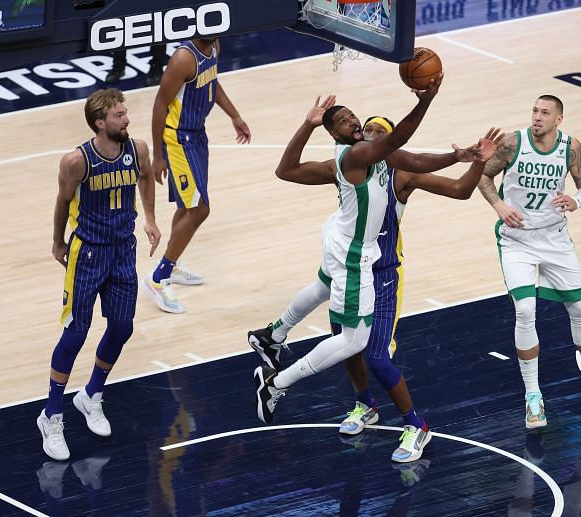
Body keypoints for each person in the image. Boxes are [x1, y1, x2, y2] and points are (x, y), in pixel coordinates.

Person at [249, 99, 501, 462]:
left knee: (374, 355)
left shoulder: (398, 168)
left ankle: (415, 425)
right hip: (351, 261)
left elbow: (449, 182)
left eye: (380, 131)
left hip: (380, 273)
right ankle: (362, 402)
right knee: (347, 345)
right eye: (367, 128)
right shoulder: (354, 158)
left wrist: (473, 159)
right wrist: (308, 124)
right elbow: (286, 170)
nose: (370, 132)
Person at [251, 79, 442, 437]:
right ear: (335, 134)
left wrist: (460, 157)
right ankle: (278, 382)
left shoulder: (371, 154)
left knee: (324, 288)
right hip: (355, 254)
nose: (355, 123)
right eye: (345, 122)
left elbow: (412, 157)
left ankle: (273, 334)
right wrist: (426, 100)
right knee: (354, 342)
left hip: (340, 236)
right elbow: (400, 138)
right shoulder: (355, 155)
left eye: (356, 117)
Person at [477, 94, 581, 429]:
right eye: (534, 110)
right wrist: (498, 206)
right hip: (516, 240)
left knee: (579, 311)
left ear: (559, 119)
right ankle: (533, 395)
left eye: (545, 113)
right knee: (525, 310)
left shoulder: (570, 147)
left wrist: (577, 201)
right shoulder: (512, 143)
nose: (537, 117)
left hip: (555, 240)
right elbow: (483, 176)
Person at [37, 88, 161, 461]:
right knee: (76, 332)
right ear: (99, 123)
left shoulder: (136, 149)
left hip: (124, 248)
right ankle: (51, 414)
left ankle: (91, 395)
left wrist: (151, 219)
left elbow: (147, 176)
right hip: (87, 253)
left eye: (125, 113)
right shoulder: (77, 161)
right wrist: (58, 242)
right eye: (120, 115)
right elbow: (62, 201)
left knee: (122, 328)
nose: (127, 119)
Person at [142, 38, 251, 313]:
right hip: (177, 139)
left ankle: (172, 262)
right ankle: (159, 277)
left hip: (197, 135)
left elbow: (212, 82)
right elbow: (159, 104)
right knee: (200, 209)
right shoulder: (183, 58)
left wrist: (234, 116)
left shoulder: (215, 45)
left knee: (188, 205)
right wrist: (158, 155)